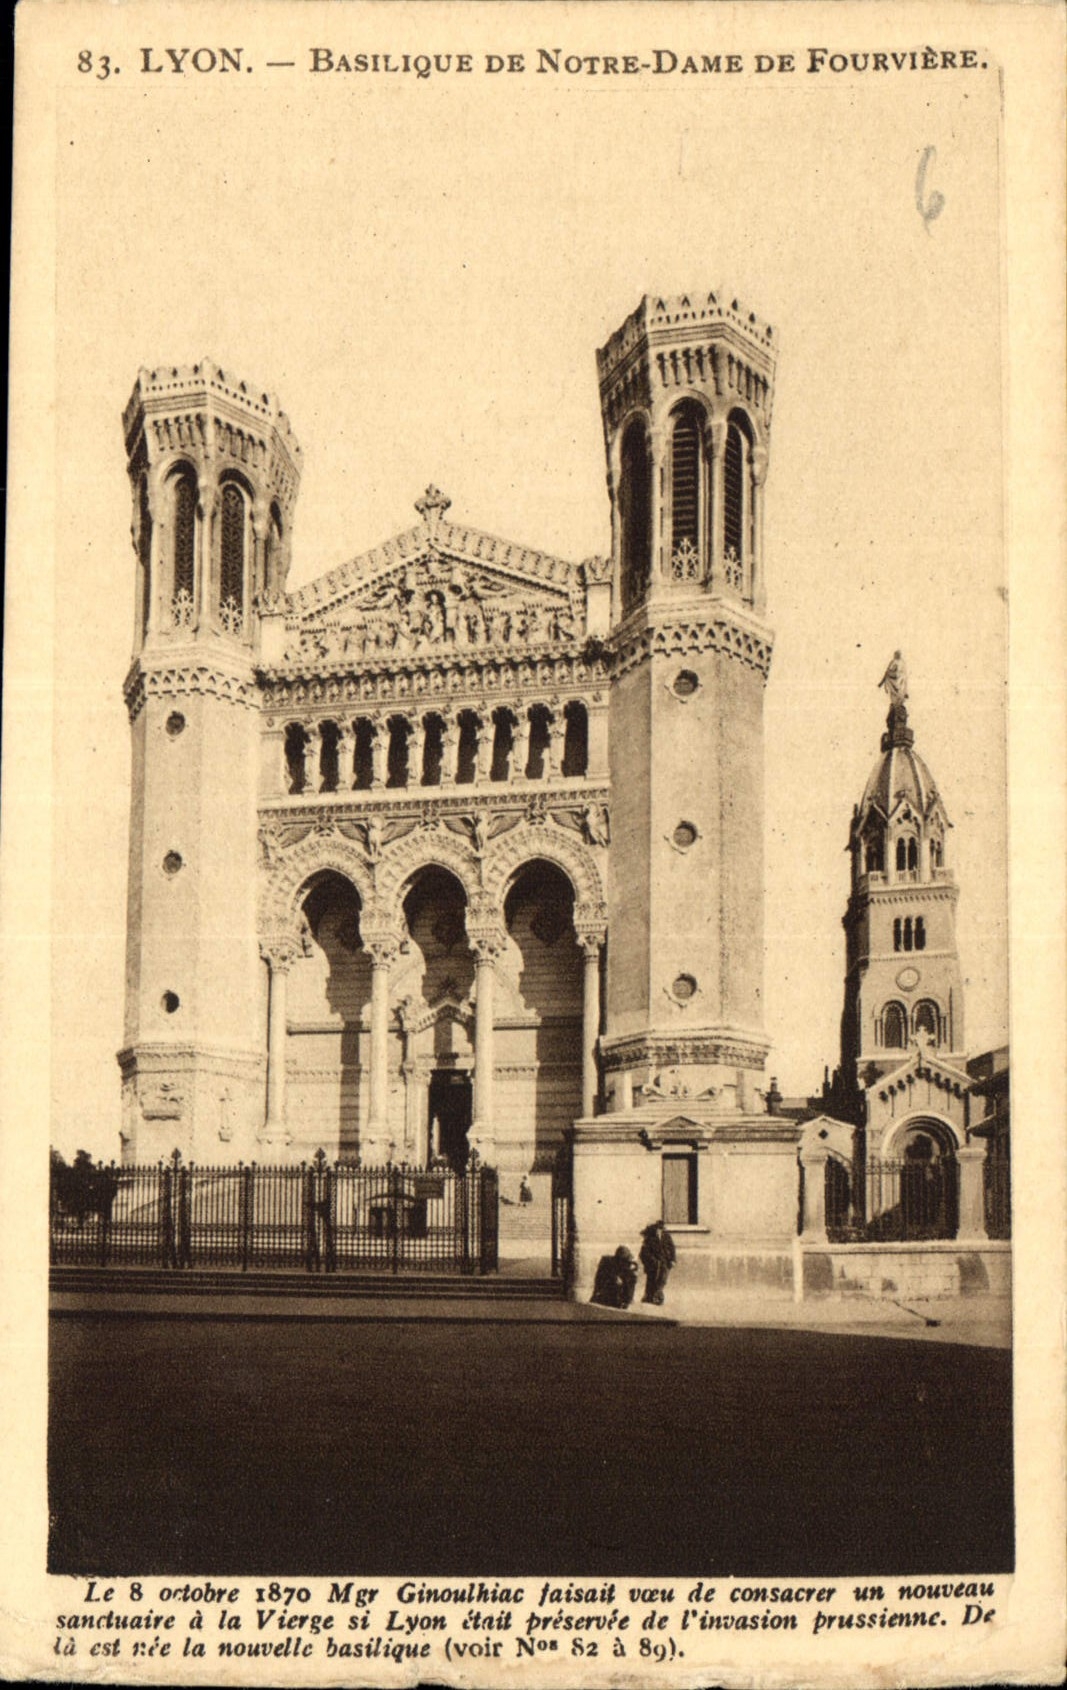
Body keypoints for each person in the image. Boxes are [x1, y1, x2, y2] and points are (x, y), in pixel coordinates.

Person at [639, 1219, 677, 1305]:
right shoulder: (650, 1238)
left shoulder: (666, 1236)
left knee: (662, 1280)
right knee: (651, 1279)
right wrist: (651, 1261)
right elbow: (644, 1252)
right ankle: (649, 1296)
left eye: (661, 1229)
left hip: (665, 1262)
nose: (660, 1231)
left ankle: (657, 1296)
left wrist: (673, 1260)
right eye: (658, 1229)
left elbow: (672, 1248)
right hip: (653, 1263)